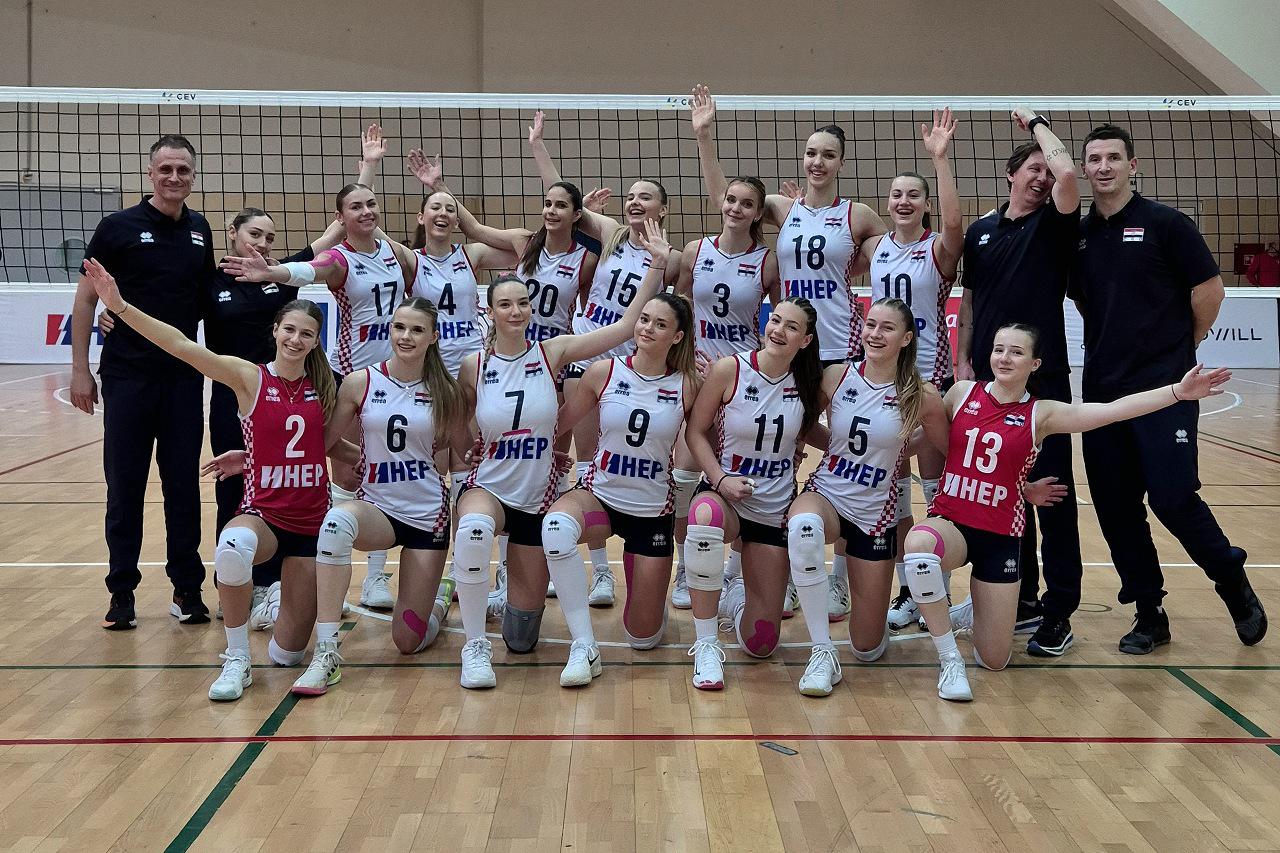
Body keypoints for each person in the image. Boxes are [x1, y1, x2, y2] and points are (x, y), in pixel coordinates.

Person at [905, 323, 1232, 701]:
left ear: (1035, 363)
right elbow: (930, 439)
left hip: (1000, 537)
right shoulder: (962, 393)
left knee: (994, 660)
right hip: (953, 524)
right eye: (999, 349)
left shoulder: (1042, 413)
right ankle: (949, 658)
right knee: (919, 549)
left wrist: (1177, 392)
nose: (1004, 358)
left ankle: (977, 610)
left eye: (1016, 352)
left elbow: (1112, 410)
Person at [83, 259, 341, 702]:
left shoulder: (328, 385)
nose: (296, 340)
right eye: (289, 330)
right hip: (264, 514)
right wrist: (120, 306)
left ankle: (279, 604)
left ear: (317, 341)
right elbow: (181, 345)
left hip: (311, 523)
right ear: (275, 330)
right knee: (232, 547)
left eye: (306, 334)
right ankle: (237, 658)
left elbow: (336, 446)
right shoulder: (249, 376)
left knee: (286, 655)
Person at [690, 84, 887, 621]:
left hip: (838, 351)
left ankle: (840, 578)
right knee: (778, 447)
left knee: (850, 455)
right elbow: (727, 202)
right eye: (811, 153)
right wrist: (705, 137)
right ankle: (748, 569)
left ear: (841, 163)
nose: (818, 161)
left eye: (828, 154)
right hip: (786, 350)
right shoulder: (784, 207)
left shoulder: (858, 215)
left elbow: (892, 255)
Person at [1071, 122, 1267, 653]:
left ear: (1132, 165)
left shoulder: (1167, 223)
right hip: (1104, 392)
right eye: (1095, 159)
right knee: (1116, 506)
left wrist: (1182, 346)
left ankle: (1231, 578)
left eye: (1114, 157)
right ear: (1085, 169)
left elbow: (1210, 291)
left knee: (1173, 496)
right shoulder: (1080, 237)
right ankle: (1149, 612)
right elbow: (1089, 301)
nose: (1104, 167)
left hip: (1168, 387)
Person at [449, 220, 667, 690]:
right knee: (474, 527)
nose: (516, 311)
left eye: (522, 303)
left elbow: (624, 327)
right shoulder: (474, 365)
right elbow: (460, 420)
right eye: (505, 304)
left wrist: (657, 266)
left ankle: (508, 600)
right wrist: (467, 446)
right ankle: (473, 646)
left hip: (536, 497)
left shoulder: (553, 351)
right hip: (489, 485)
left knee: (521, 638)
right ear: (489, 311)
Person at [408, 151, 600, 616]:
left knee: (550, 459)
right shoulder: (524, 244)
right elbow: (471, 227)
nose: (551, 210)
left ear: (575, 214)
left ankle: (551, 562)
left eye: (561, 205)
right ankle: (479, 567)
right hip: (502, 359)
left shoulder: (586, 259)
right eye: (547, 203)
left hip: (553, 360)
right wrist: (438, 187)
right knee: (477, 456)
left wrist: (588, 214)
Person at [223, 180, 419, 614]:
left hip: (398, 379)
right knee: (349, 476)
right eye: (356, 207)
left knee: (388, 473)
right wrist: (273, 273)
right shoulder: (339, 258)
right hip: (354, 378)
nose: (366, 211)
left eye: (371, 204)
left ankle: (376, 577)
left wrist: (369, 166)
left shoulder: (394, 252)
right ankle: (334, 581)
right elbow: (309, 270)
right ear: (340, 218)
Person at [527, 111, 684, 607]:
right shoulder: (612, 233)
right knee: (570, 455)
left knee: (607, 459)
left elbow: (681, 305)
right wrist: (538, 147)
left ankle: (623, 567)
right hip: (584, 354)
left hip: (627, 367)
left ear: (663, 208)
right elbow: (562, 200)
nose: (636, 201)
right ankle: (579, 567)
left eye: (646, 197)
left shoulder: (672, 257)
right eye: (631, 195)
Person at [70, 134, 215, 630]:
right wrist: (80, 369)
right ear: (150, 174)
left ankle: (187, 589)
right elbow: (86, 298)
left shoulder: (199, 229)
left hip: (181, 379)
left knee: (183, 488)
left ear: (192, 176)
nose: (174, 177)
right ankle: (121, 592)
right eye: (165, 169)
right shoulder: (117, 227)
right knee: (125, 487)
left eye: (183, 170)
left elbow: (203, 298)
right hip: (128, 378)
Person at [290, 298, 470, 696]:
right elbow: (325, 441)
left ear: (433, 337)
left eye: (417, 330)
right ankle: (326, 652)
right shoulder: (360, 382)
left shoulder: (446, 391)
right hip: (378, 509)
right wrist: (361, 456)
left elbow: (466, 455)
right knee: (336, 523)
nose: (406, 336)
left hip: (427, 516)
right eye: (399, 327)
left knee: (407, 641)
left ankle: (439, 600)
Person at [955, 107, 1083, 657]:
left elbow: (1069, 173)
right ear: (1010, 175)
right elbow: (969, 305)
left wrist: (1036, 123)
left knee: (1052, 494)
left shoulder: (1053, 224)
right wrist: (964, 362)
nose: (1043, 177)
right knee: (1006, 492)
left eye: (1046, 171)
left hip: (1043, 382)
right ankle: (1023, 596)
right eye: (1033, 169)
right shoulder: (980, 232)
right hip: (989, 382)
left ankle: (1060, 609)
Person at [785, 298, 948, 696]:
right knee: (803, 526)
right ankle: (822, 651)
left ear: (906, 338)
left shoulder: (921, 395)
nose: (875, 334)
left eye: (887, 328)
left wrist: (898, 451)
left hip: (876, 513)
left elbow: (948, 446)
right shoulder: (836, 376)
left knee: (868, 648)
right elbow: (803, 424)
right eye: (870, 324)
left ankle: (868, 630)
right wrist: (833, 447)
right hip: (828, 493)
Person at [544, 292, 698, 684]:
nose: (647, 328)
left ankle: (646, 588)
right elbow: (558, 424)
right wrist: (520, 451)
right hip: (600, 498)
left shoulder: (688, 385)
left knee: (643, 639)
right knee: (556, 527)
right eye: (644, 319)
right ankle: (584, 645)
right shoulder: (604, 372)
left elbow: (706, 438)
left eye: (660, 324)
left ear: (677, 337)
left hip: (652, 513)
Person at [683, 297, 829, 689]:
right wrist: (719, 480)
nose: (778, 330)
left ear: (805, 340)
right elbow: (695, 432)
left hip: (773, 507)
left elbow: (811, 431)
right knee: (705, 517)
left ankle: (734, 597)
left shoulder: (807, 384)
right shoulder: (730, 369)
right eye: (775, 320)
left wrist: (859, 448)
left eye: (791, 327)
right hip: (726, 496)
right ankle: (707, 644)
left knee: (761, 642)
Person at [866, 110, 964, 632]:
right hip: (883, 385)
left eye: (913, 195)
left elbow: (955, 228)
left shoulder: (937, 249)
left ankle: (937, 591)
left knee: (935, 491)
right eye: (896, 195)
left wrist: (940, 160)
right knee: (895, 492)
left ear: (925, 203)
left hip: (928, 384)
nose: (903, 201)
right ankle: (910, 590)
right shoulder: (876, 248)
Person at [671, 175, 781, 612]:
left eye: (746, 203)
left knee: (743, 477)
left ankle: (734, 574)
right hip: (697, 376)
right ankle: (685, 568)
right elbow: (677, 308)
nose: (735, 208)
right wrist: (684, 357)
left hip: (744, 380)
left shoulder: (768, 262)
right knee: (683, 477)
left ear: (757, 214)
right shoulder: (695, 251)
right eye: (731, 200)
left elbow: (780, 320)